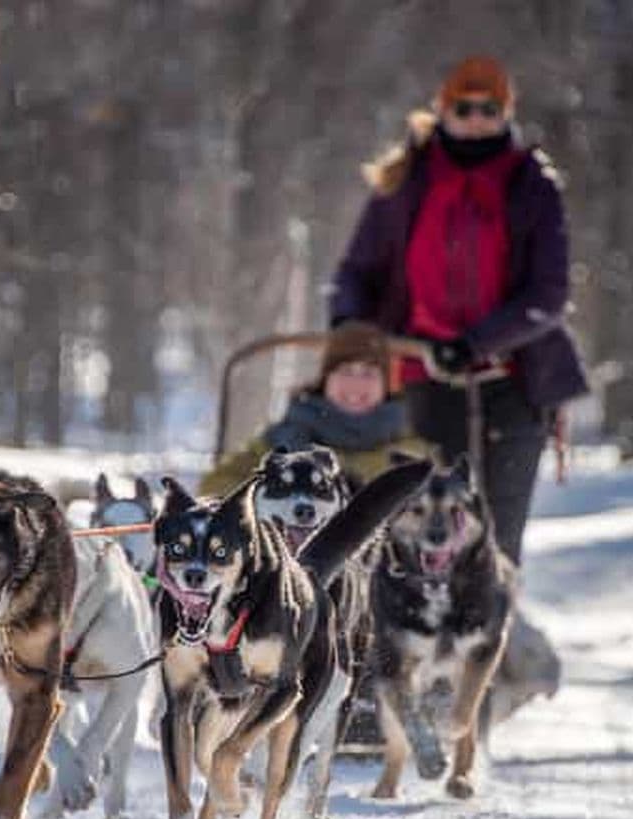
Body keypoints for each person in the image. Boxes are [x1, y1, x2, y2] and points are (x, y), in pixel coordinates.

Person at [330, 55, 589, 721]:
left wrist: (477, 341)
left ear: (506, 113)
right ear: (442, 109)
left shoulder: (531, 184)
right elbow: (357, 271)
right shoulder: (406, 179)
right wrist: (350, 327)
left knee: (492, 538)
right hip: (422, 379)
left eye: (488, 109)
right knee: (415, 527)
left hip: (513, 383)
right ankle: (396, 677)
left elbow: (549, 292)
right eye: (463, 108)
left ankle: (477, 688)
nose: (475, 120)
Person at [199, 322, 428, 497]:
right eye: (346, 371)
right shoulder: (281, 442)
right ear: (325, 379)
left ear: (386, 385)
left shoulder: (411, 456)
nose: (356, 384)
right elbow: (215, 489)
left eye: (368, 373)